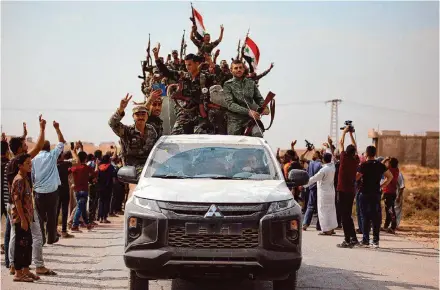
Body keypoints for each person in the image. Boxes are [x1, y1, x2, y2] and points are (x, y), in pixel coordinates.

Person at [108, 93, 159, 178]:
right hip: (133, 170)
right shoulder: (126, 131)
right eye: (138, 114)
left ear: (147, 116)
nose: (140, 117)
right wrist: (121, 109)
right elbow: (112, 123)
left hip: (150, 166)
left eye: (143, 114)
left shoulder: (151, 130)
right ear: (133, 117)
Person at [31, 121, 65, 245]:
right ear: (49, 147)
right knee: (52, 215)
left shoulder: (33, 159)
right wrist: (57, 128)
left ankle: (41, 240)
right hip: (52, 191)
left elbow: (32, 176)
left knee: (39, 217)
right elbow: (62, 142)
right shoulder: (52, 156)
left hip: (38, 192)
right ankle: (51, 237)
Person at [356, 146, 393, 248]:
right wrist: (382, 186)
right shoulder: (380, 165)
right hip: (376, 193)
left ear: (367, 154)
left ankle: (365, 240)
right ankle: (375, 240)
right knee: (376, 217)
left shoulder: (363, 165)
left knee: (365, 217)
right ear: (375, 154)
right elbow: (390, 176)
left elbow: (356, 177)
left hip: (364, 193)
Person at [10, 153, 38, 282]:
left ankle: (26, 270)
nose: (30, 164)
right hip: (21, 219)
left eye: (30, 162)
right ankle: (18, 273)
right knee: (20, 245)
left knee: (28, 244)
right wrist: (23, 220)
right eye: (27, 163)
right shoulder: (19, 180)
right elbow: (17, 201)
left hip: (27, 218)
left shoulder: (25, 178)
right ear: (20, 166)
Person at [223, 60, 269, 137]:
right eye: (236, 68)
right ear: (231, 70)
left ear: (244, 69)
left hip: (250, 119)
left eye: (240, 67)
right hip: (235, 119)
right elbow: (230, 104)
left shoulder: (250, 83)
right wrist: (248, 112)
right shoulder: (228, 85)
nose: (238, 70)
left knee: (258, 134)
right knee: (235, 142)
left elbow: (258, 98)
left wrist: (265, 107)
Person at [300, 153, 338, 235]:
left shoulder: (323, 170)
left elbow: (314, 179)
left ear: (323, 160)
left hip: (324, 193)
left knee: (323, 211)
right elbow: (333, 159)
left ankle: (326, 230)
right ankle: (331, 228)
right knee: (331, 210)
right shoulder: (332, 167)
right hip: (331, 192)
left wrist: (304, 185)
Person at [336, 126, 360, 248]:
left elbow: (340, 142)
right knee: (348, 215)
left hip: (342, 190)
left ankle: (347, 240)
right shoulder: (355, 160)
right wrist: (351, 134)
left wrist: (345, 132)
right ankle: (353, 238)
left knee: (344, 216)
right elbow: (355, 148)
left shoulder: (344, 159)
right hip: (351, 191)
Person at [69, 151, 98, 232]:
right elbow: (95, 174)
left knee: (82, 207)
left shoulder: (75, 168)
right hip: (84, 190)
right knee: (80, 207)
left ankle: (87, 224)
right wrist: (97, 165)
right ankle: (74, 225)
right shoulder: (86, 168)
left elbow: (69, 170)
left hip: (76, 191)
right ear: (85, 159)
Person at [382, 157, 400, 234]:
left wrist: (385, 159)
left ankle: (393, 226)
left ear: (390, 164)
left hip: (388, 192)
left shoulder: (390, 169)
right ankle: (386, 226)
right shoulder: (396, 170)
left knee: (390, 210)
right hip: (392, 192)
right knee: (388, 209)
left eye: (389, 162)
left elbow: (381, 165)